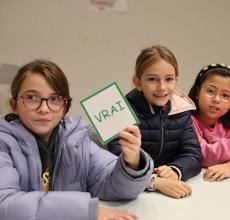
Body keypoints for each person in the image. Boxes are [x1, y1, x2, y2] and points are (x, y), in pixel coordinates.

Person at [0, 60, 154, 220]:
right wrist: (87, 211)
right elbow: (5, 204)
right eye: (31, 97)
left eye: (55, 99)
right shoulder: (3, 144)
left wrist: (133, 163)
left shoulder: (76, 140)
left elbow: (113, 185)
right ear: (14, 105)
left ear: (65, 107)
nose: (44, 108)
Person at [108, 45, 202, 199]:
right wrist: (154, 181)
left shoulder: (182, 109)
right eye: (152, 79)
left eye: (169, 79)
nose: (162, 87)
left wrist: (174, 170)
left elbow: (193, 153)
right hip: (131, 195)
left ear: (176, 80)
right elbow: (114, 159)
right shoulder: (120, 111)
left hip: (168, 194)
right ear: (138, 82)